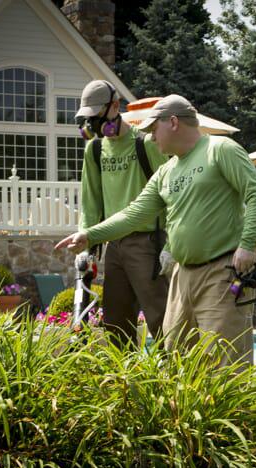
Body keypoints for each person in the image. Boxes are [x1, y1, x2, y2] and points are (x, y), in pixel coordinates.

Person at [57, 94, 256, 366]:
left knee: (224, 361)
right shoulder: (166, 170)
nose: (151, 138)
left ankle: (239, 411)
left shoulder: (220, 149)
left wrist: (248, 245)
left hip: (222, 271)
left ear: (173, 122)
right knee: (177, 355)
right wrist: (90, 234)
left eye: (153, 129)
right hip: (182, 276)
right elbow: (134, 214)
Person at [73, 79, 170, 344]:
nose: (92, 125)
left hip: (148, 244)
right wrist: (87, 244)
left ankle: (175, 377)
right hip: (113, 246)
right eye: (88, 119)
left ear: (115, 106)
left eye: (96, 116)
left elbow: (171, 194)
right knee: (116, 322)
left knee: (161, 318)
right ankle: (124, 381)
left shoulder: (146, 144)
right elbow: (90, 202)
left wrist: (170, 243)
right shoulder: (93, 150)